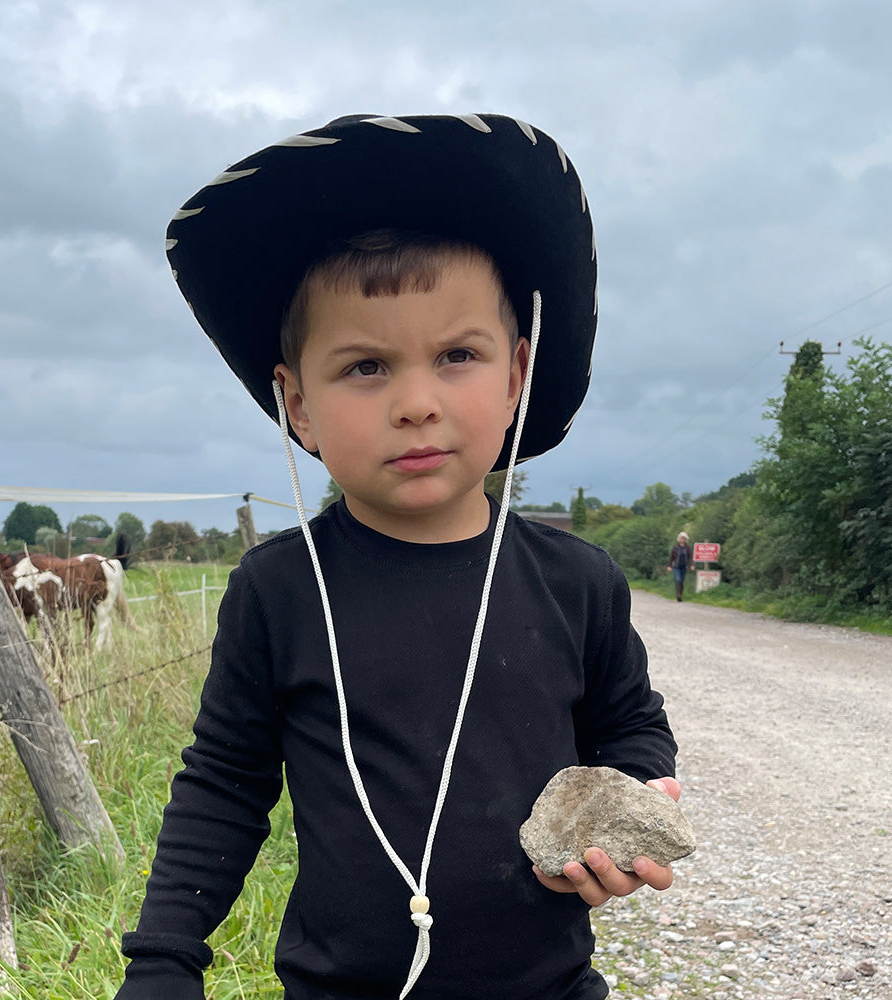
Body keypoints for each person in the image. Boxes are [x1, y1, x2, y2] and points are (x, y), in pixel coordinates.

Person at [115, 114, 680, 1000]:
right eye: (366, 367)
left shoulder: (579, 584)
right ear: (296, 403)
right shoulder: (280, 590)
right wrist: (163, 954)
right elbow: (225, 781)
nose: (416, 401)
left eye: (458, 354)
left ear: (517, 374)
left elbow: (630, 724)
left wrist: (634, 797)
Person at [667, 532, 693, 601]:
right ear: (679, 539)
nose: (683, 539)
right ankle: (678, 594)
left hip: (684, 566)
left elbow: (690, 557)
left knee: (682, 581)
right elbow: (671, 557)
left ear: (686, 539)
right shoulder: (675, 547)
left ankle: (680, 595)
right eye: (682, 538)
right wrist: (669, 566)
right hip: (676, 566)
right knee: (678, 579)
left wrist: (692, 565)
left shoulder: (688, 548)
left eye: (684, 538)